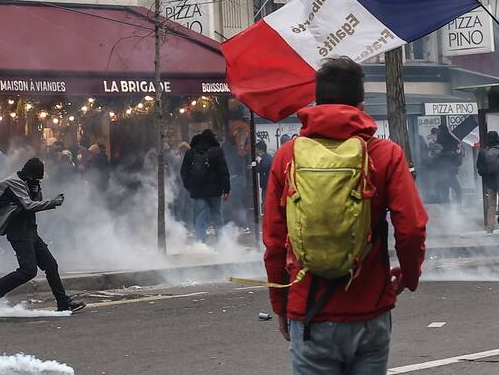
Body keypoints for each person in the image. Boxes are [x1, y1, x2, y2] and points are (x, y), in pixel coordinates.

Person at [263, 58, 427, 375]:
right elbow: (412, 229)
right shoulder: (385, 154)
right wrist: (409, 276)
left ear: (317, 101)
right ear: (361, 105)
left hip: (309, 311)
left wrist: (281, 305)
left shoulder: (288, 156)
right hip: (370, 309)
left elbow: (273, 242)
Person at [0, 158, 85, 316]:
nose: (36, 181)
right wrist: (53, 203)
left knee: (51, 265)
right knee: (28, 271)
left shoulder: (30, 182)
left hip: (29, 230)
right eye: (35, 178)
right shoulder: (13, 182)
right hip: (17, 231)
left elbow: (36, 201)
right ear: (29, 174)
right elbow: (28, 205)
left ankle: (63, 303)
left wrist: (36, 188)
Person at [180, 129, 230, 242]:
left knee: (200, 217)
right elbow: (224, 172)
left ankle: (200, 244)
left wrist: (188, 187)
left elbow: (184, 172)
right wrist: (226, 189)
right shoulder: (217, 151)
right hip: (215, 190)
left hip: (198, 190)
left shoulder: (190, 152)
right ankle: (222, 242)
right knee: (217, 215)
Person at [476, 131, 499, 234]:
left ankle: (490, 228)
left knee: (491, 205)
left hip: (490, 183)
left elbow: (479, 169)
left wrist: (486, 175)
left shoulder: (482, 152)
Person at [434, 124, 463, 203]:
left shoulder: (438, 144)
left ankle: (446, 211)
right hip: (450, 174)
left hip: (441, 175)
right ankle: (458, 210)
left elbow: (434, 161)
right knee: (458, 192)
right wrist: (459, 153)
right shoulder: (452, 143)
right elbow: (458, 162)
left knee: (445, 194)